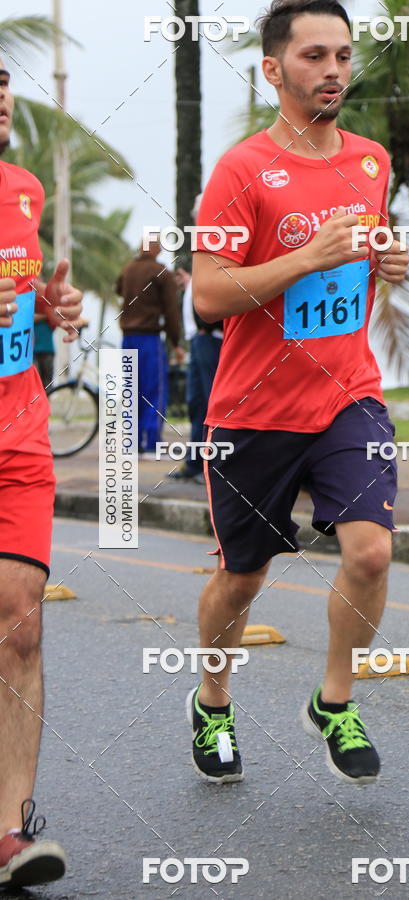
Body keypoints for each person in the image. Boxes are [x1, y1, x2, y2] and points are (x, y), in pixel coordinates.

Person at [187, 0, 409, 785]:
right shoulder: (241, 171)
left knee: (372, 552)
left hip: (347, 395)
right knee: (242, 577)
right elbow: (209, 296)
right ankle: (214, 700)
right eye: (315, 56)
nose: (335, 70)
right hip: (253, 411)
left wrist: (386, 266)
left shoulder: (373, 161)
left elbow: (357, 277)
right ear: (274, 70)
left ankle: (335, 701)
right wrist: (307, 259)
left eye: (344, 55)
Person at [0, 61, 84, 886]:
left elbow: (20, 301)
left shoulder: (25, 189)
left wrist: (50, 310)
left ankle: (9, 835)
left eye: (1, 84)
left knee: (20, 624)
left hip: (17, 434)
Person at [116, 239, 185, 457]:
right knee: (154, 391)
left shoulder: (127, 270)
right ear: (155, 249)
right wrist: (176, 343)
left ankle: (132, 441)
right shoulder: (161, 272)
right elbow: (172, 311)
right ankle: (152, 443)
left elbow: (118, 289)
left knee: (131, 390)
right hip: (149, 339)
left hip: (127, 339)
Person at [169, 266, 223, 483]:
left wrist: (207, 327)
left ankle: (211, 465)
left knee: (211, 402)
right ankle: (195, 462)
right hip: (199, 341)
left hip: (209, 339)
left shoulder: (206, 275)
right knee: (197, 404)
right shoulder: (193, 283)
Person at [33, 313, 55, 391]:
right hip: (33, 352)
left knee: (47, 384)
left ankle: (45, 402)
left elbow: (55, 319)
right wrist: (46, 315)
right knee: (35, 383)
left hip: (48, 349)